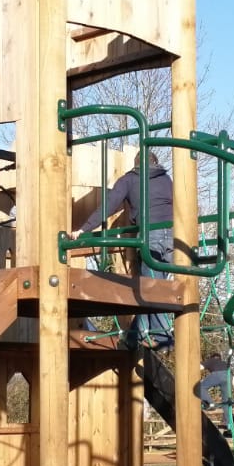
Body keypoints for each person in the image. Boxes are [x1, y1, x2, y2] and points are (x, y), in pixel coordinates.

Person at [76, 149, 174, 348]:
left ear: (135, 164)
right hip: (172, 237)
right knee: (155, 286)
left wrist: (83, 229)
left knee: (150, 289)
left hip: (150, 236)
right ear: (155, 162)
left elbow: (108, 207)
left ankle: (163, 339)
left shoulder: (129, 179)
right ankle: (134, 337)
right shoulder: (166, 179)